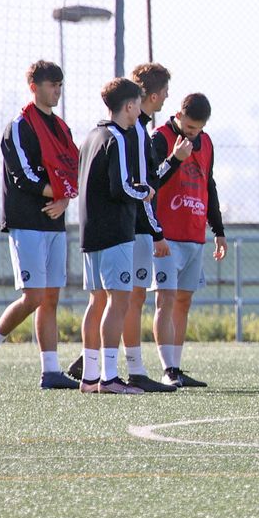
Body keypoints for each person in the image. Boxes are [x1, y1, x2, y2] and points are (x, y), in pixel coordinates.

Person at [0, 61, 81, 390]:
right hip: (27, 223)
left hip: (55, 222)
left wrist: (64, 200)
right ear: (34, 86)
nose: (57, 91)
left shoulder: (62, 128)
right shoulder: (19, 126)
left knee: (51, 297)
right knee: (33, 296)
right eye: (52, 85)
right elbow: (24, 175)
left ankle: (50, 371)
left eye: (60, 85)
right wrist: (58, 193)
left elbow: (70, 171)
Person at [76, 77, 159, 395]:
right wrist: (146, 191)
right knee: (117, 300)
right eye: (138, 103)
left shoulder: (92, 135)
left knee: (96, 301)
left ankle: (91, 376)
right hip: (114, 232)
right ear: (129, 106)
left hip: (91, 231)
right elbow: (122, 185)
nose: (141, 110)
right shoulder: (118, 138)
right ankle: (109, 377)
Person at [149, 92, 228, 388]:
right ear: (179, 115)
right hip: (166, 237)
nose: (194, 135)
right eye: (190, 128)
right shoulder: (160, 138)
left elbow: (209, 185)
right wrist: (175, 158)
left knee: (183, 301)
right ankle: (166, 368)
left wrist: (218, 230)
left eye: (199, 129)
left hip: (195, 236)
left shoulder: (205, 142)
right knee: (165, 300)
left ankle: (177, 367)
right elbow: (151, 182)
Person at [116, 62, 183, 393]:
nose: (167, 99)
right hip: (134, 227)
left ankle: (96, 361)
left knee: (124, 297)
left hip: (136, 226)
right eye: (166, 93)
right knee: (129, 298)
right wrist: (156, 231)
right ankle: (132, 368)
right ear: (152, 95)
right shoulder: (137, 131)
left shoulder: (137, 129)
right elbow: (146, 186)